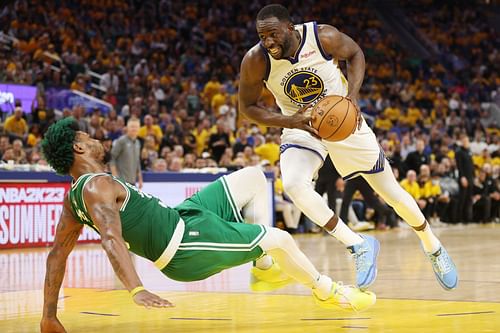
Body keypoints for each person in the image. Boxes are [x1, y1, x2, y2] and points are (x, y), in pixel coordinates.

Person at [39, 118, 375, 333]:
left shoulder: (74, 198)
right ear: (78, 147)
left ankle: (262, 267)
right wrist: (136, 289)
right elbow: (111, 239)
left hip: (184, 215)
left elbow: (57, 256)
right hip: (183, 247)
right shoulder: (96, 186)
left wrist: (49, 316)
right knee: (281, 238)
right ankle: (331, 291)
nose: (97, 139)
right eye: (89, 137)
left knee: (256, 176)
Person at [238, 4, 457, 290]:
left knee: (391, 192)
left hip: (343, 120)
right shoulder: (256, 60)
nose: (268, 42)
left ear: (290, 28)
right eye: (262, 37)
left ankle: (433, 246)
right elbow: (247, 108)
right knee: (293, 184)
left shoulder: (322, 37)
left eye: (273, 35)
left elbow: (355, 54)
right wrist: (290, 120)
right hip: (302, 126)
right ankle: (358, 244)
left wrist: (352, 96)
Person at [110, 117, 143, 188]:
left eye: (136, 127)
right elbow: (111, 157)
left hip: (133, 182)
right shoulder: (121, 141)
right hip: (121, 181)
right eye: (132, 126)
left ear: (139, 128)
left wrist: (140, 179)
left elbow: (137, 161)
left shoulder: (138, 143)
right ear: (127, 127)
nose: (134, 129)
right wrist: (115, 176)